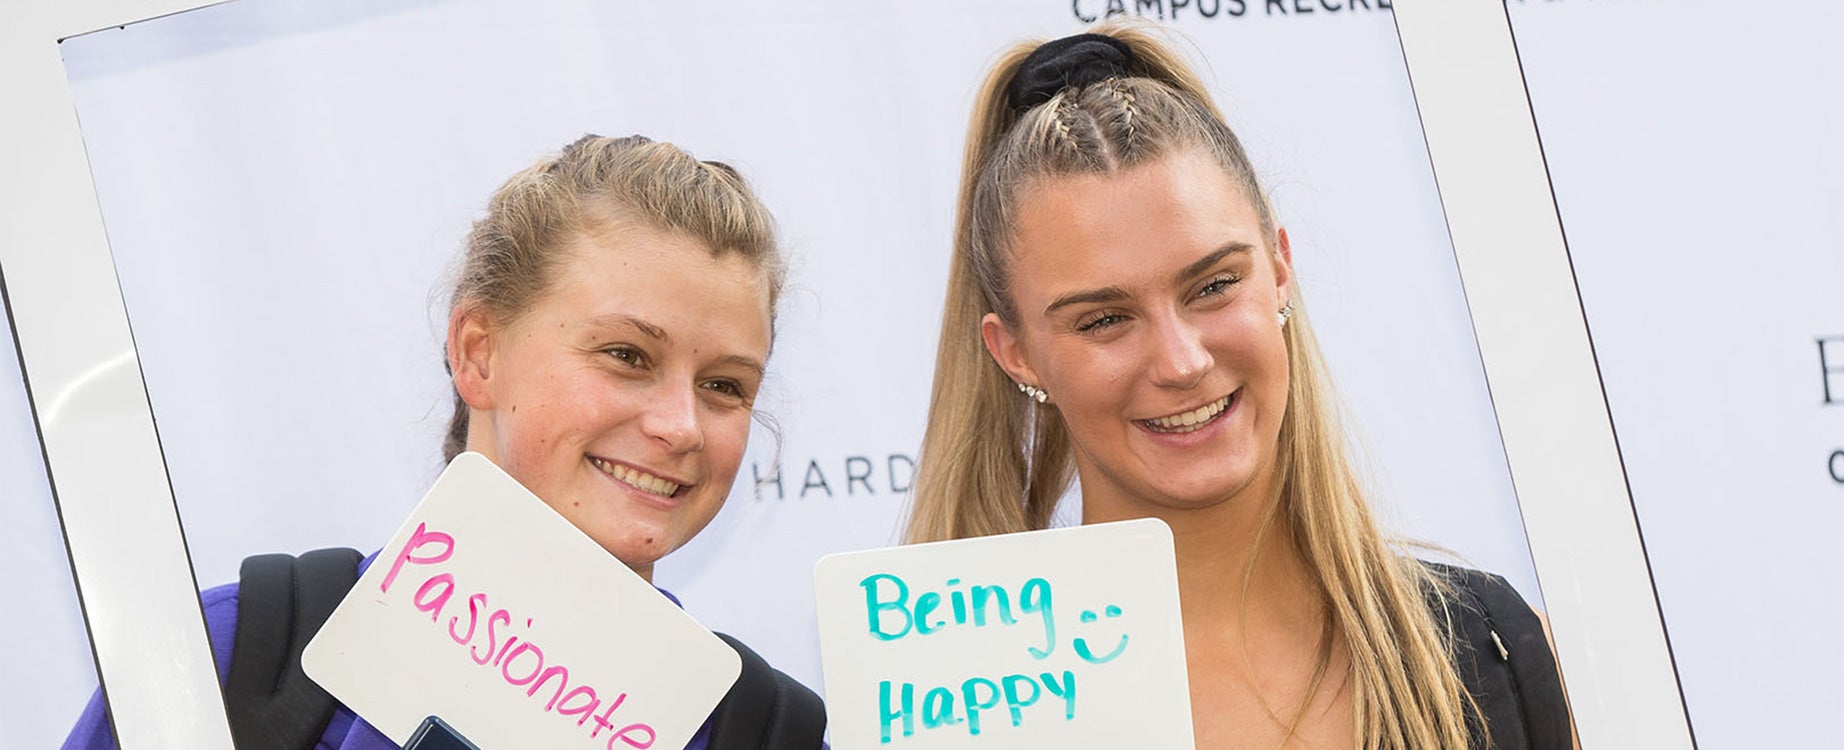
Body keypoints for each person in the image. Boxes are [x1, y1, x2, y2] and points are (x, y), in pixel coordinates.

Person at [906, 21, 1573, 749]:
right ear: (1016, 354)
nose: (1181, 360)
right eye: (1103, 319)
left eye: (1214, 285)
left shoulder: (1493, 650)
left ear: (1278, 268)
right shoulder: (948, 712)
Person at [62, 135, 821, 750]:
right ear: (478, 352)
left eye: (725, 386)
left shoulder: (765, 734)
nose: (680, 426)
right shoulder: (234, 655)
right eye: (627, 355)